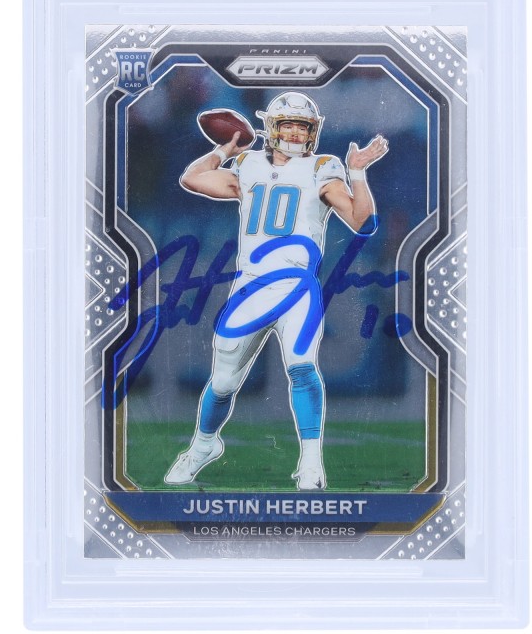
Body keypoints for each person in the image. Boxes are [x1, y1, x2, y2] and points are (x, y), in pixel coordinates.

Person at [164, 92, 388, 489]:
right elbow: (192, 178)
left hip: (297, 286)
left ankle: (312, 463)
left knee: (302, 366)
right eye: (288, 125)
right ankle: (203, 446)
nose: (296, 133)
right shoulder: (247, 164)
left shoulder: (322, 167)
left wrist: (357, 173)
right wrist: (224, 149)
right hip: (250, 285)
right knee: (223, 384)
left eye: (303, 126)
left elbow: (362, 222)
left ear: (313, 131)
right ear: (271, 128)